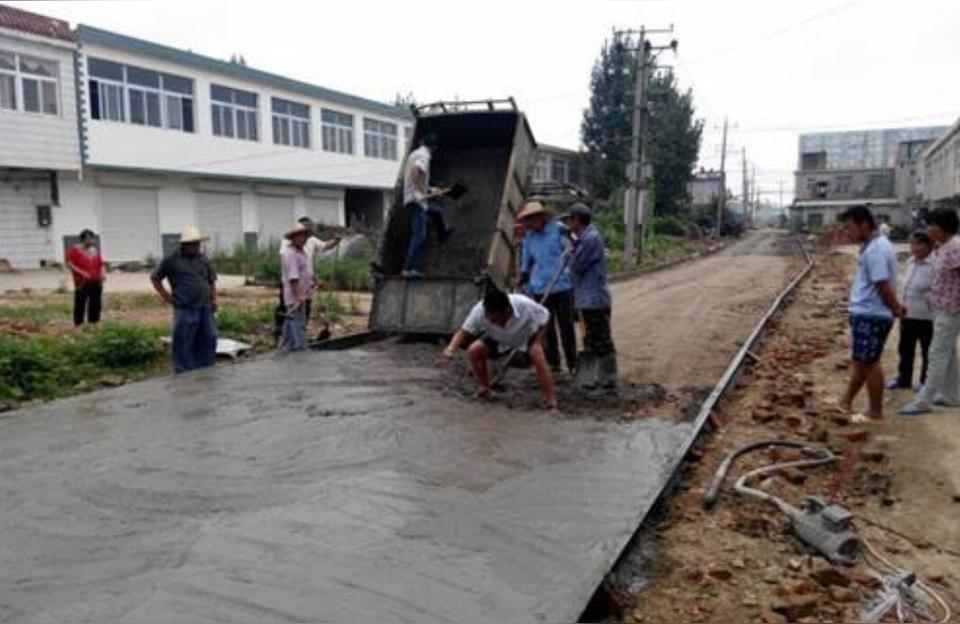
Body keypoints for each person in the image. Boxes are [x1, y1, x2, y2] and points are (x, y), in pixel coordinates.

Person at [837, 205, 904, 421]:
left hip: (871, 313)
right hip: (867, 312)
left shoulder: (875, 250)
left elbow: (882, 283)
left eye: (849, 227)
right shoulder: (874, 245)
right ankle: (845, 401)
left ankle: (875, 411)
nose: (847, 233)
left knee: (870, 363)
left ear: (864, 224)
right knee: (862, 361)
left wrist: (894, 306)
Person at [442, 285, 557, 410]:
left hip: (525, 335)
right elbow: (463, 332)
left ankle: (550, 400)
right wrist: (451, 348)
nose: (492, 321)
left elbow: (546, 317)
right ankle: (484, 387)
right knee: (474, 350)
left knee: (538, 355)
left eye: (496, 319)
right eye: (489, 319)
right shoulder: (479, 311)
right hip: (498, 337)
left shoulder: (525, 305)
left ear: (508, 311)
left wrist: (538, 342)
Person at [900, 208, 960, 416]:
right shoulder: (943, 247)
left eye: (931, 225)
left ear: (942, 228)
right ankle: (951, 395)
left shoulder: (954, 247)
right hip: (942, 307)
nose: (928, 230)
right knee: (948, 353)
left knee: (936, 353)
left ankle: (925, 399)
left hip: (951, 308)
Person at [561, 203, 617, 389]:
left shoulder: (589, 239)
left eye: (570, 219)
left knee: (599, 341)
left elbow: (576, 266)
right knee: (593, 340)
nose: (568, 223)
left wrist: (571, 253)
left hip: (593, 300)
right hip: (588, 300)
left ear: (577, 220)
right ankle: (599, 378)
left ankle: (605, 380)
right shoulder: (585, 238)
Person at [518, 201, 577, 373]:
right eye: (526, 220)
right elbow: (526, 259)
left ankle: (573, 364)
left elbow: (572, 248)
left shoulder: (558, 229)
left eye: (530, 219)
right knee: (547, 328)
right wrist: (523, 275)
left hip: (562, 285)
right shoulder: (529, 236)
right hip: (540, 288)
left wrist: (569, 262)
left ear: (540, 217)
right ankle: (554, 363)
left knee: (566, 327)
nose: (528, 224)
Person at [151, 226, 218, 374]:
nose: (196, 247)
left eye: (198, 243)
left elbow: (211, 280)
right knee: (183, 339)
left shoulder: (203, 259)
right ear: (185, 245)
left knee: (209, 336)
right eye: (193, 244)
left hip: (205, 306)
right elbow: (155, 278)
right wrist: (167, 297)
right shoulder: (171, 261)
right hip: (185, 307)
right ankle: (184, 371)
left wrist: (214, 299)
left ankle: (205, 368)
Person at [887, 231, 934, 390]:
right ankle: (903, 379)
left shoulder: (935, 264)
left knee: (928, 351)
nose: (914, 248)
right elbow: (905, 286)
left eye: (918, 244)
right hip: (907, 314)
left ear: (928, 245)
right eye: (912, 244)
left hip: (928, 316)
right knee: (905, 349)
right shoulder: (911, 262)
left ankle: (925, 382)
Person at [402, 133, 451, 279]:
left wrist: (431, 189)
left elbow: (419, 178)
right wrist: (417, 191)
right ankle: (409, 268)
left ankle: (443, 233)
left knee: (437, 212)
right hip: (417, 201)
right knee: (419, 235)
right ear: (434, 147)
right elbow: (416, 171)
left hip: (415, 200)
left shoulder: (414, 153)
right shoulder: (424, 156)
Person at [278, 216, 338, 327]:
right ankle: (283, 331)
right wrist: (298, 294)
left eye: (306, 232)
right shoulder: (288, 247)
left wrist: (335, 241)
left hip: (306, 284)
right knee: (288, 309)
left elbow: (325, 246)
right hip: (292, 283)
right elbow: (291, 271)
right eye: (302, 231)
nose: (304, 237)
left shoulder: (311, 241)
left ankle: (298, 331)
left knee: (303, 311)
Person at [279, 222, 313, 352]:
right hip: (295, 296)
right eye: (300, 236)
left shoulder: (302, 251)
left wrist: (313, 280)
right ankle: (301, 350)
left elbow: (305, 270)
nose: (303, 239)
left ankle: (286, 348)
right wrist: (299, 296)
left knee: (291, 322)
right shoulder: (290, 253)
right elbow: (293, 278)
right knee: (298, 324)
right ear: (293, 238)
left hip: (302, 293)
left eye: (305, 236)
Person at [66, 229, 105, 326]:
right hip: (82, 281)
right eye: (90, 238)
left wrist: (103, 273)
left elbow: (101, 264)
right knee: (80, 302)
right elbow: (70, 264)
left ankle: (94, 321)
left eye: (93, 238)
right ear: (84, 239)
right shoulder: (75, 250)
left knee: (96, 302)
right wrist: (82, 272)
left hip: (96, 280)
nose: (93, 240)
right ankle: (79, 323)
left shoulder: (95, 250)